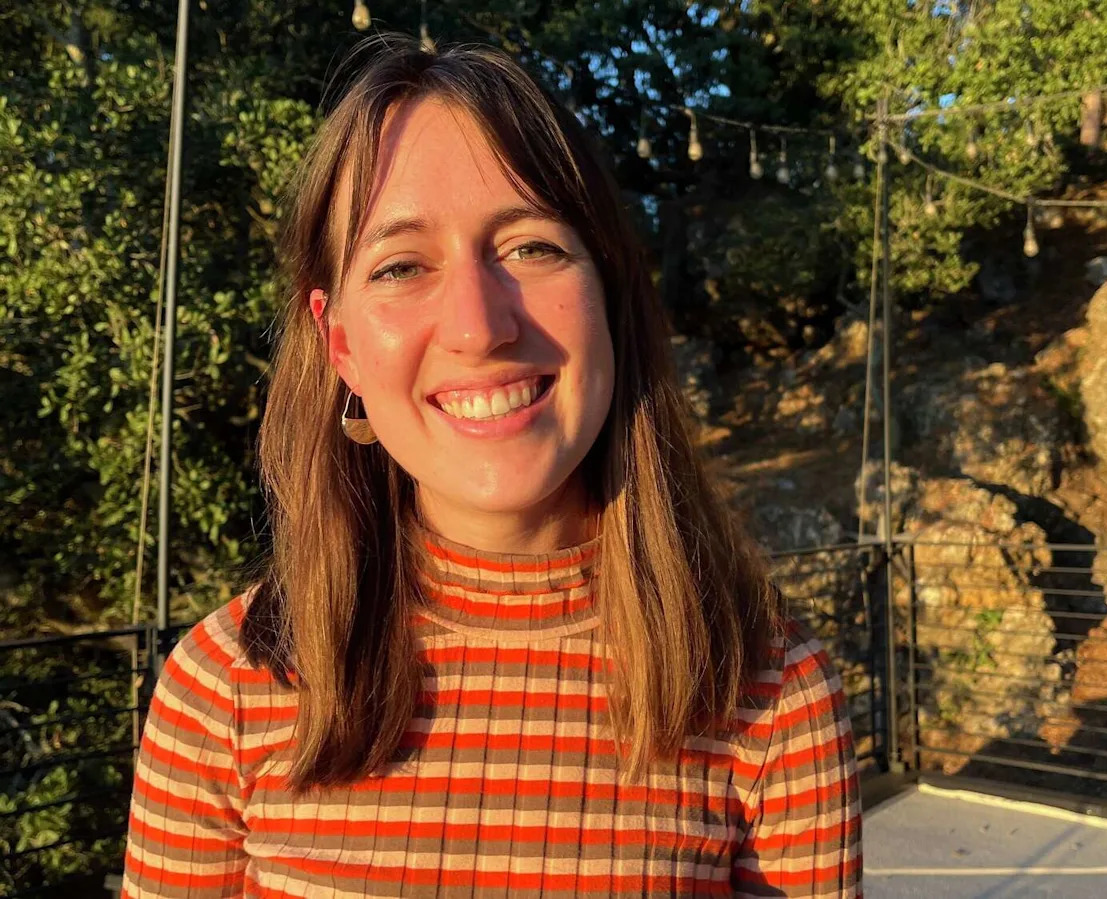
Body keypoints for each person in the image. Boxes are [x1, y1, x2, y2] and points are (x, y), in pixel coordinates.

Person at [122, 35, 862, 898]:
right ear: (342, 344)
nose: (480, 327)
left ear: (610, 294)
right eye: (402, 265)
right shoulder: (223, 689)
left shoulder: (771, 694)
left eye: (531, 247)